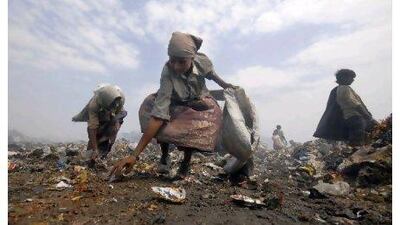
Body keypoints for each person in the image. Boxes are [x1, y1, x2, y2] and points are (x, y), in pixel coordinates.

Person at [110, 31, 236, 179]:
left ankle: (186, 162)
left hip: (197, 99)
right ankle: (164, 156)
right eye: (172, 60)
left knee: (202, 121)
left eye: (181, 61)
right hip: (173, 101)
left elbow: (212, 75)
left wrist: (225, 85)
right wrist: (134, 156)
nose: (176, 66)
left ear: (192, 57)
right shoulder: (167, 72)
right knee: (155, 114)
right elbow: (159, 115)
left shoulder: (202, 61)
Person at [314, 69, 377, 146]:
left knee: (360, 137)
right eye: (351, 77)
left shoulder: (342, 89)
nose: (353, 80)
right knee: (357, 139)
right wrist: (365, 114)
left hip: (353, 117)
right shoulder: (344, 88)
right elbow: (353, 103)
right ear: (343, 78)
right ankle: (357, 153)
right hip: (355, 117)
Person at [72, 84, 127, 165]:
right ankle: (92, 154)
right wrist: (95, 149)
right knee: (95, 135)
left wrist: (111, 134)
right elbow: (92, 128)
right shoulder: (93, 105)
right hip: (101, 113)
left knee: (112, 128)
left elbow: (116, 118)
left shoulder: (120, 100)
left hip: (117, 113)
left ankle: (108, 147)